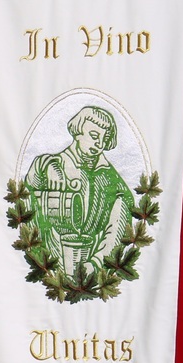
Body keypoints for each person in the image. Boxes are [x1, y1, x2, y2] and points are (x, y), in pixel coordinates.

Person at [25, 105, 134, 279]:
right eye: (94, 136)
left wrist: (96, 262)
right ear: (78, 132)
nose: (99, 144)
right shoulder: (54, 163)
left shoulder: (107, 173)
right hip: (51, 253)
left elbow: (124, 213)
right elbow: (28, 188)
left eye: (104, 139)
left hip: (93, 256)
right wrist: (46, 166)